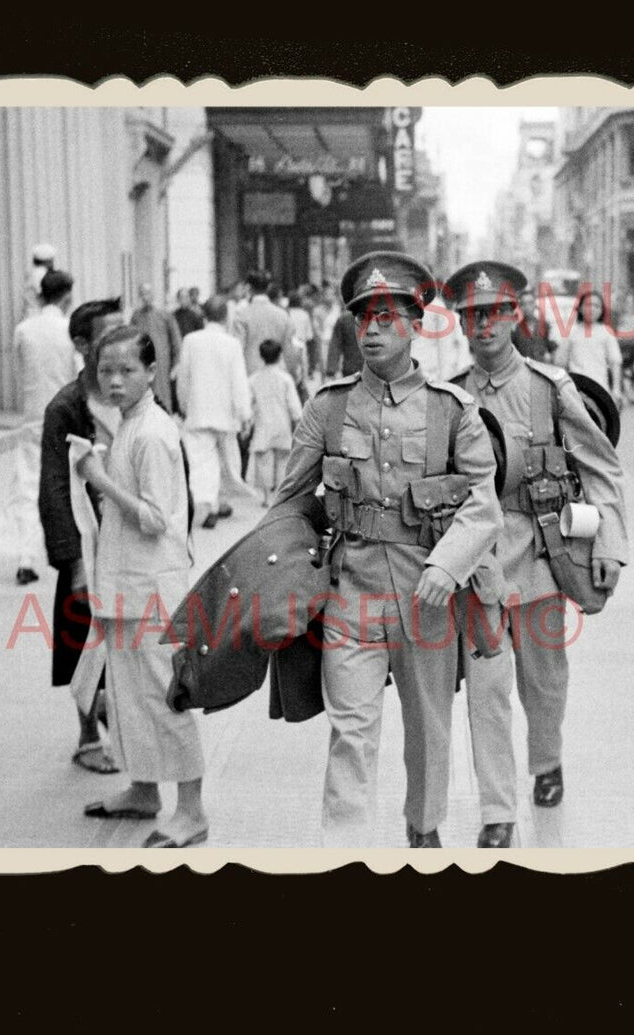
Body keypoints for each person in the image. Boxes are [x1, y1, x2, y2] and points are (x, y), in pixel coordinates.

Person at [267, 250, 501, 848]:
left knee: (428, 730)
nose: (370, 330)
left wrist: (448, 567)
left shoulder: (454, 412)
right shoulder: (329, 406)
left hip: (427, 599)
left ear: (416, 325)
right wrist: (285, 577)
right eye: (362, 319)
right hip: (352, 594)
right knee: (351, 732)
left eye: (385, 319)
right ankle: (344, 849)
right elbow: (287, 501)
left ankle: (422, 830)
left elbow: (483, 505)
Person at [448, 261, 629, 845]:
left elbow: (601, 466)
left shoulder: (550, 389)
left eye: (493, 314)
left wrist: (609, 541)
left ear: (514, 317)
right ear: (461, 324)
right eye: (472, 316)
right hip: (480, 565)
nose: (483, 327)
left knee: (544, 680)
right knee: (487, 688)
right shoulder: (450, 398)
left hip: (544, 555)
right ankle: (498, 812)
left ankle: (546, 759)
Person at [76, 326, 206, 848]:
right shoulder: (130, 424)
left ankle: (192, 811)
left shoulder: (151, 431)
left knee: (164, 699)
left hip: (153, 591)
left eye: (127, 370)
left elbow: (156, 518)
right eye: (106, 370)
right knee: (131, 696)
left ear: (151, 373)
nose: (114, 381)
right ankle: (144, 789)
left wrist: (100, 479)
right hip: (129, 587)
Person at [37, 298, 126, 774]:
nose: (118, 342)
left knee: (131, 636)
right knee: (82, 639)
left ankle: (120, 718)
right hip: (87, 547)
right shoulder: (66, 408)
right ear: (81, 344)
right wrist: (72, 562)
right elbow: (54, 487)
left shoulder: (130, 394)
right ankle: (88, 732)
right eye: (107, 335)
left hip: (131, 538)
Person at [0, 269, 80, 585]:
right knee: (69, 485)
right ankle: (71, 552)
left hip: (34, 418)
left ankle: (26, 556)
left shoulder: (24, 330)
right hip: (64, 417)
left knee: (28, 488)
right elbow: (77, 374)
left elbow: (21, 373)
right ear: (67, 296)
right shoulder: (68, 330)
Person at [174, 295, 253, 529]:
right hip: (225, 412)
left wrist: (184, 404)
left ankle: (208, 504)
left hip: (198, 409)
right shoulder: (231, 344)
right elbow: (239, 382)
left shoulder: (190, 341)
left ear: (204, 315)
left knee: (201, 462)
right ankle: (216, 503)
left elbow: (183, 378)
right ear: (225, 316)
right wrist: (244, 413)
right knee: (225, 461)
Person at [247, 338, 303, 506]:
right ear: (280, 356)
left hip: (263, 424)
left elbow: (248, 403)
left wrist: (246, 422)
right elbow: (294, 405)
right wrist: (298, 420)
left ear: (260, 356)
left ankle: (265, 496)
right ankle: (279, 495)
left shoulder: (254, 379)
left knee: (263, 462)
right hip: (282, 425)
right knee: (282, 461)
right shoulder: (285, 379)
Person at [550, 289, 622, 397]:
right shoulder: (571, 333)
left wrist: (616, 389)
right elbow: (560, 362)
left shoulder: (606, 332)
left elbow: (615, 362)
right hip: (576, 391)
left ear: (602, 310)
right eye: (588, 305)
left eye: (596, 306)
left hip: (600, 389)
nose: (592, 309)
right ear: (580, 308)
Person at [129, 283, 183, 411]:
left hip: (162, 362)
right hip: (142, 360)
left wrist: (176, 363)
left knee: (162, 392)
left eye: (148, 293)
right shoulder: (136, 316)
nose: (145, 297)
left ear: (153, 294)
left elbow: (176, 340)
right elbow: (130, 338)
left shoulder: (165, 314)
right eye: (142, 294)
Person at [232, 270, 294, 375]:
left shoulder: (241, 315)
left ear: (249, 288)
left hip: (250, 373)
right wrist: (292, 374)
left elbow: (238, 349)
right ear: (269, 287)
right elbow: (288, 349)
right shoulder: (283, 315)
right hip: (278, 372)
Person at [23, 242, 58, 313]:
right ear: (48, 261)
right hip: (38, 312)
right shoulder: (41, 274)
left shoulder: (33, 273)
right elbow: (44, 294)